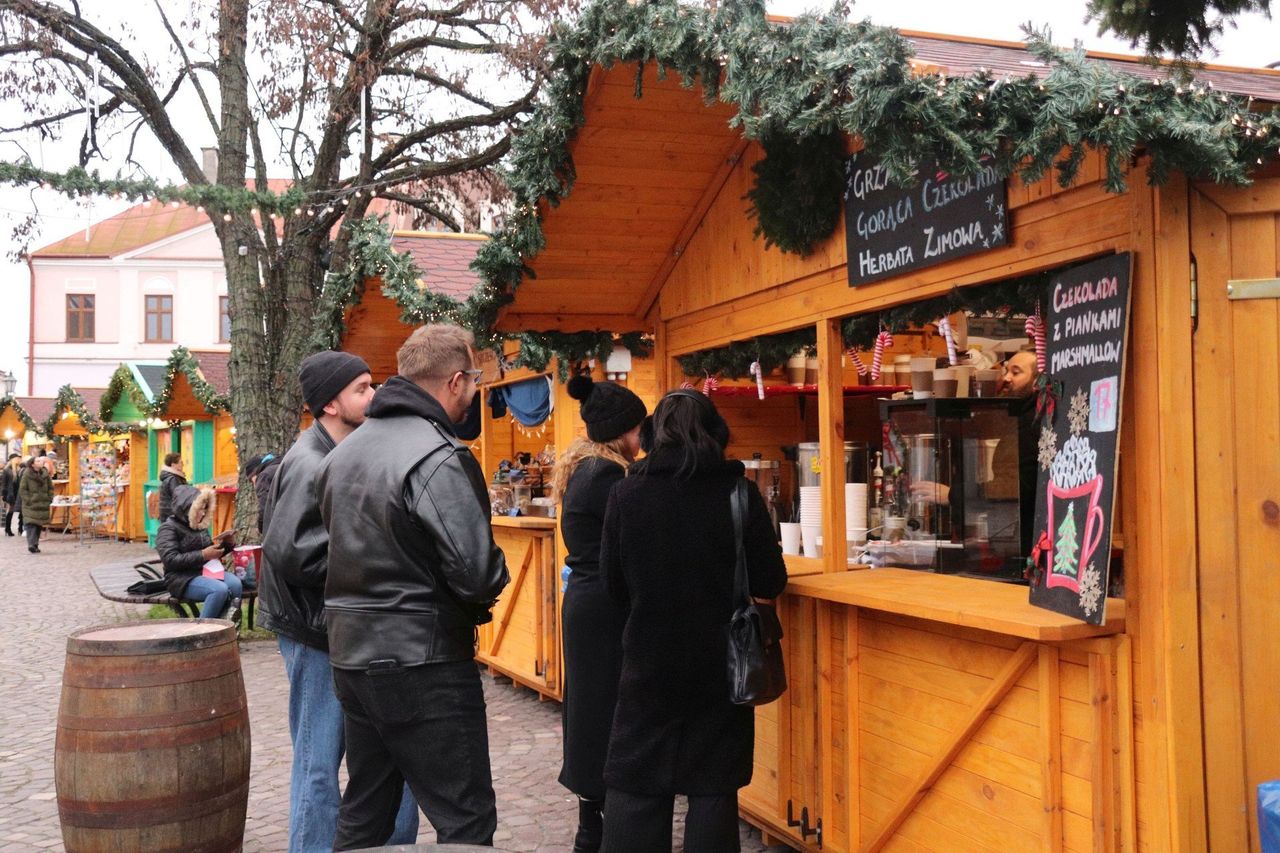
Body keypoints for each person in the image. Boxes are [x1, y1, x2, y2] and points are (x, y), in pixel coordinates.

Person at [318, 323, 509, 849]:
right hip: (422, 663)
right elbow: (476, 573)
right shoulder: (437, 455)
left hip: (354, 658)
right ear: (454, 382)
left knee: (366, 813)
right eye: (472, 380)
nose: (473, 391)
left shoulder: (343, 454)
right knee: (465, 821)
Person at [598, 390, 787, 852]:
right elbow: (770, 577)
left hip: (650, 656)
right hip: (721, 660)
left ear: (652, 435)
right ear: (715, 433)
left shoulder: (626, 493)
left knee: (640, 780)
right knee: (713, 787)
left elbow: (612, 585)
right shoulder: (738, 493)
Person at [260, 351, 420, 853]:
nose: (374, 396)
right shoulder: (309, 461)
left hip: (344, 629)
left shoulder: (341, 450)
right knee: (318, 764)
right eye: (362, 388)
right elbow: (290, 553)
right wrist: (375, 561)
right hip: (313, 634)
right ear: (331, 403)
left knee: (380, 758)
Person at [552, 375, 648, 853]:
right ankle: (598, 826)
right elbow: (630, 547)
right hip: (605, 606)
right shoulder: (607, 478)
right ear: (621, 432)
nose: (642, 438)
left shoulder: (585, 469)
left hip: (588, 603)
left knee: (591, 710)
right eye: (637, 429)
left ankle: (593, 822)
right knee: (604, 711)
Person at [155, 484, 241, 619]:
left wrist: (227, 544)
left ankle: (227, 627)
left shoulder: (199, 526)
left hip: (206, 572)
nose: (202, 513)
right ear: (187, 509)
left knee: (235, 584)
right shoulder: (168, 529)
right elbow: (170, 560)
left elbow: (210, 552)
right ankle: (202, 633)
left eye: (204, 509)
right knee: (218, 590)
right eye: (199, 509)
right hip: (181, 579)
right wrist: (202, 555)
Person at [18, 455, 54, 554]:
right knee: (31, 524)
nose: (41, 462)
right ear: (32, 464)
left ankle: (35, 544)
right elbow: (22, 489)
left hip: (42, 503)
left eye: (40, 461)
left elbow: (50, 488)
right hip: (30, 504)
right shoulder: (27, 474)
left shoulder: (45, 474)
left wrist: (49, 498)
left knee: (38, 525)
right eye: (38, 461)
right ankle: (31, 544)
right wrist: (28, 500)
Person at [241, 452, 281, 536]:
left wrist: (261, 527)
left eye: (252, 480)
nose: (254, 485)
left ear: (254, 473)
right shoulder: (281, 466)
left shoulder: (263, 476)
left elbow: (265, 507)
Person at [157, 452, 187, 524]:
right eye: (180, 462)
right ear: (173, 465)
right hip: (171, 513)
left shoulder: (169, 477)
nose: (183, 465)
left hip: (167, 512)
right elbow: (178, 496)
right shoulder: (173, 479)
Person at [2, 453, 20, 536]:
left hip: (17, 492)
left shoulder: (18, 468)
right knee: (11, 510)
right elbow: (4, 483)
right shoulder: (7, 470)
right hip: (10, 493)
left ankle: (19, 528)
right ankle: (7, 528)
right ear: (12, 459)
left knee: (18, 510)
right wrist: (3, 495)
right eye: (17, 458)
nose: (18, 460)